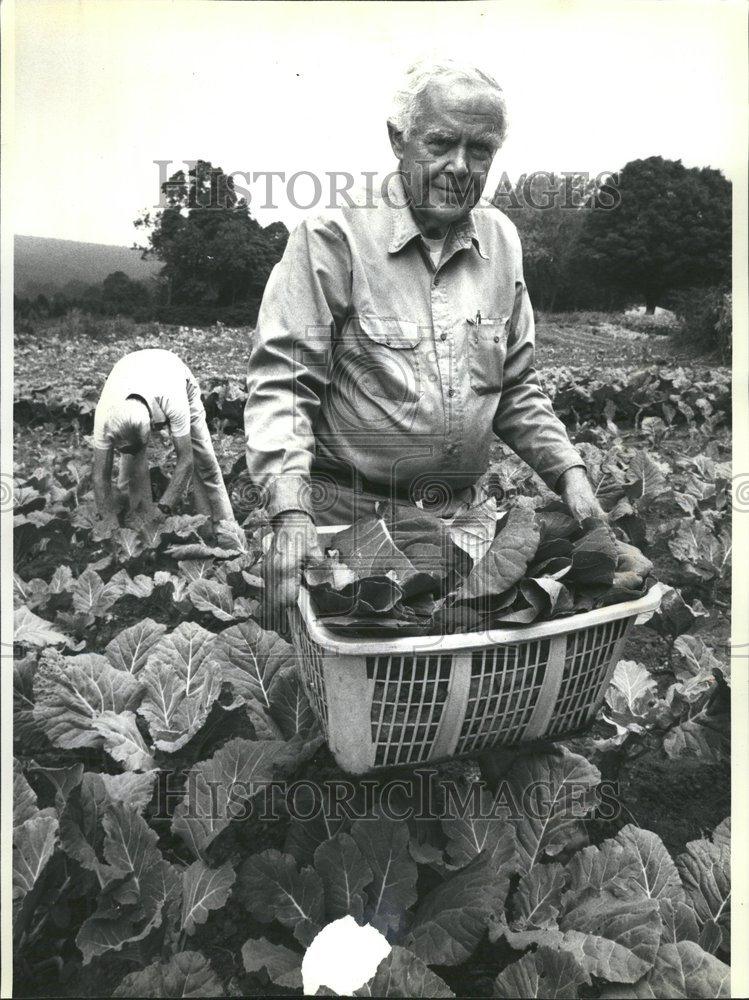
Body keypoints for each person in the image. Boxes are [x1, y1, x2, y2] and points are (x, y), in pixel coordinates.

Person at [244, 57, 607, 633]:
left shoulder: (502, 241)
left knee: (456, 688)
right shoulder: (332, 236)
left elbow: (515, 387)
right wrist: (291, 514)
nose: (459, 166)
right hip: (348, 522)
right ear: (398, 138)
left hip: (462, 523)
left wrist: (570, 475)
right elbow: (284, 385)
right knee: (363, 690)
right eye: (441, 142)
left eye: (481, 148)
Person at [92, 348, 234, 532]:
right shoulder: (105, 416)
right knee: (131, 470)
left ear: (151, 423)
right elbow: (99, 477)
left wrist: (163, 508)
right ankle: (135, 526)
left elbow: (186, 461)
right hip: (128, 378)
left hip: (173, 376)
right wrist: (109, 527)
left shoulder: (173, 399)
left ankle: (224, 528)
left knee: (205, 462)